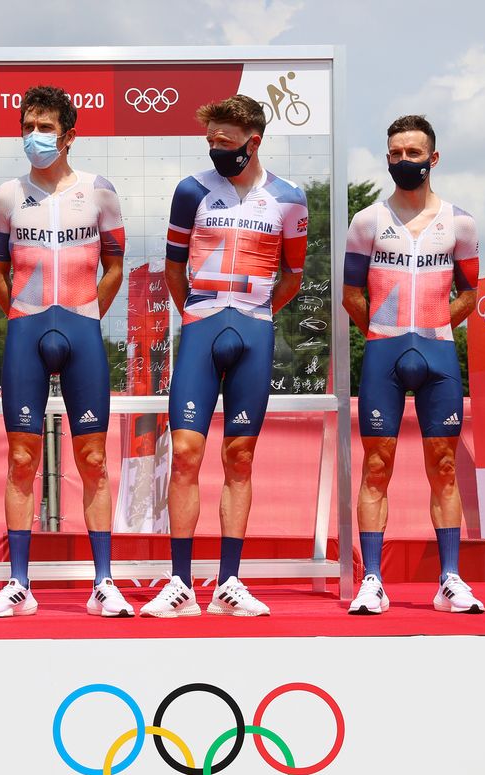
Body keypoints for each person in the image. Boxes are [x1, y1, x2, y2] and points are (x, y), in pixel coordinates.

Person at [141, 94, 308, 618]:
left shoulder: (289, 197)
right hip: (201, 325)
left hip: (254, 330)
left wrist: (258, 315)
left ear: (252, 141)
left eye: (225, 141)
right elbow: (173, 268)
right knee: (186, 454)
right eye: (210, 140)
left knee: (240, 458)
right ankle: (180, 584)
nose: (215, 148)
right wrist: (197, 313)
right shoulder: (191, 191)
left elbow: (294, 275)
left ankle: (230, 583)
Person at [0, 85, 132, 617]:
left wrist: (88, 310)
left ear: (69, 135)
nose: (34, 137)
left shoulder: (98, 191)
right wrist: (20, 316)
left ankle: (104, 582)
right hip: (27, 330)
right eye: (28, 126)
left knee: (93, 458)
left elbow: (114, 264)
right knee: (22, 459)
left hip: (81, 329)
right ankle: (18, 584)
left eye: (45, 128)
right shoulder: (5, 197)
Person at [342, 114, 485, 615]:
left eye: (413, 153)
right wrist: (381, 336)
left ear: (433, 158)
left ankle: (449, 579)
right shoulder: (367, 221)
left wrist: (434, 327)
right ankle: (373, 580)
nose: (404, 161)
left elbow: (470, 292)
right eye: (396, 154)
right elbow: (351, 294)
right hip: (384, 352)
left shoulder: (460, 223)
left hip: (438, 353)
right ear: (387, 158)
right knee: (376, 466)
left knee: (444, 467)